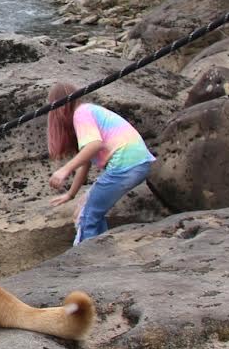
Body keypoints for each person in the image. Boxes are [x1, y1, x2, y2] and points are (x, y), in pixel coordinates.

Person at [46, 82, 156, 244]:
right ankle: (101, 250)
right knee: (86, 209)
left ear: (59, 106)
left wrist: (65, 169)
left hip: (125, 165)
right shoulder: (89, 112)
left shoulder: (81, 113)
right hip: (138, 164)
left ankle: (84, 259)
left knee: (86, 215)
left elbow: (94, 145)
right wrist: (71, 194)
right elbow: (86, 163)